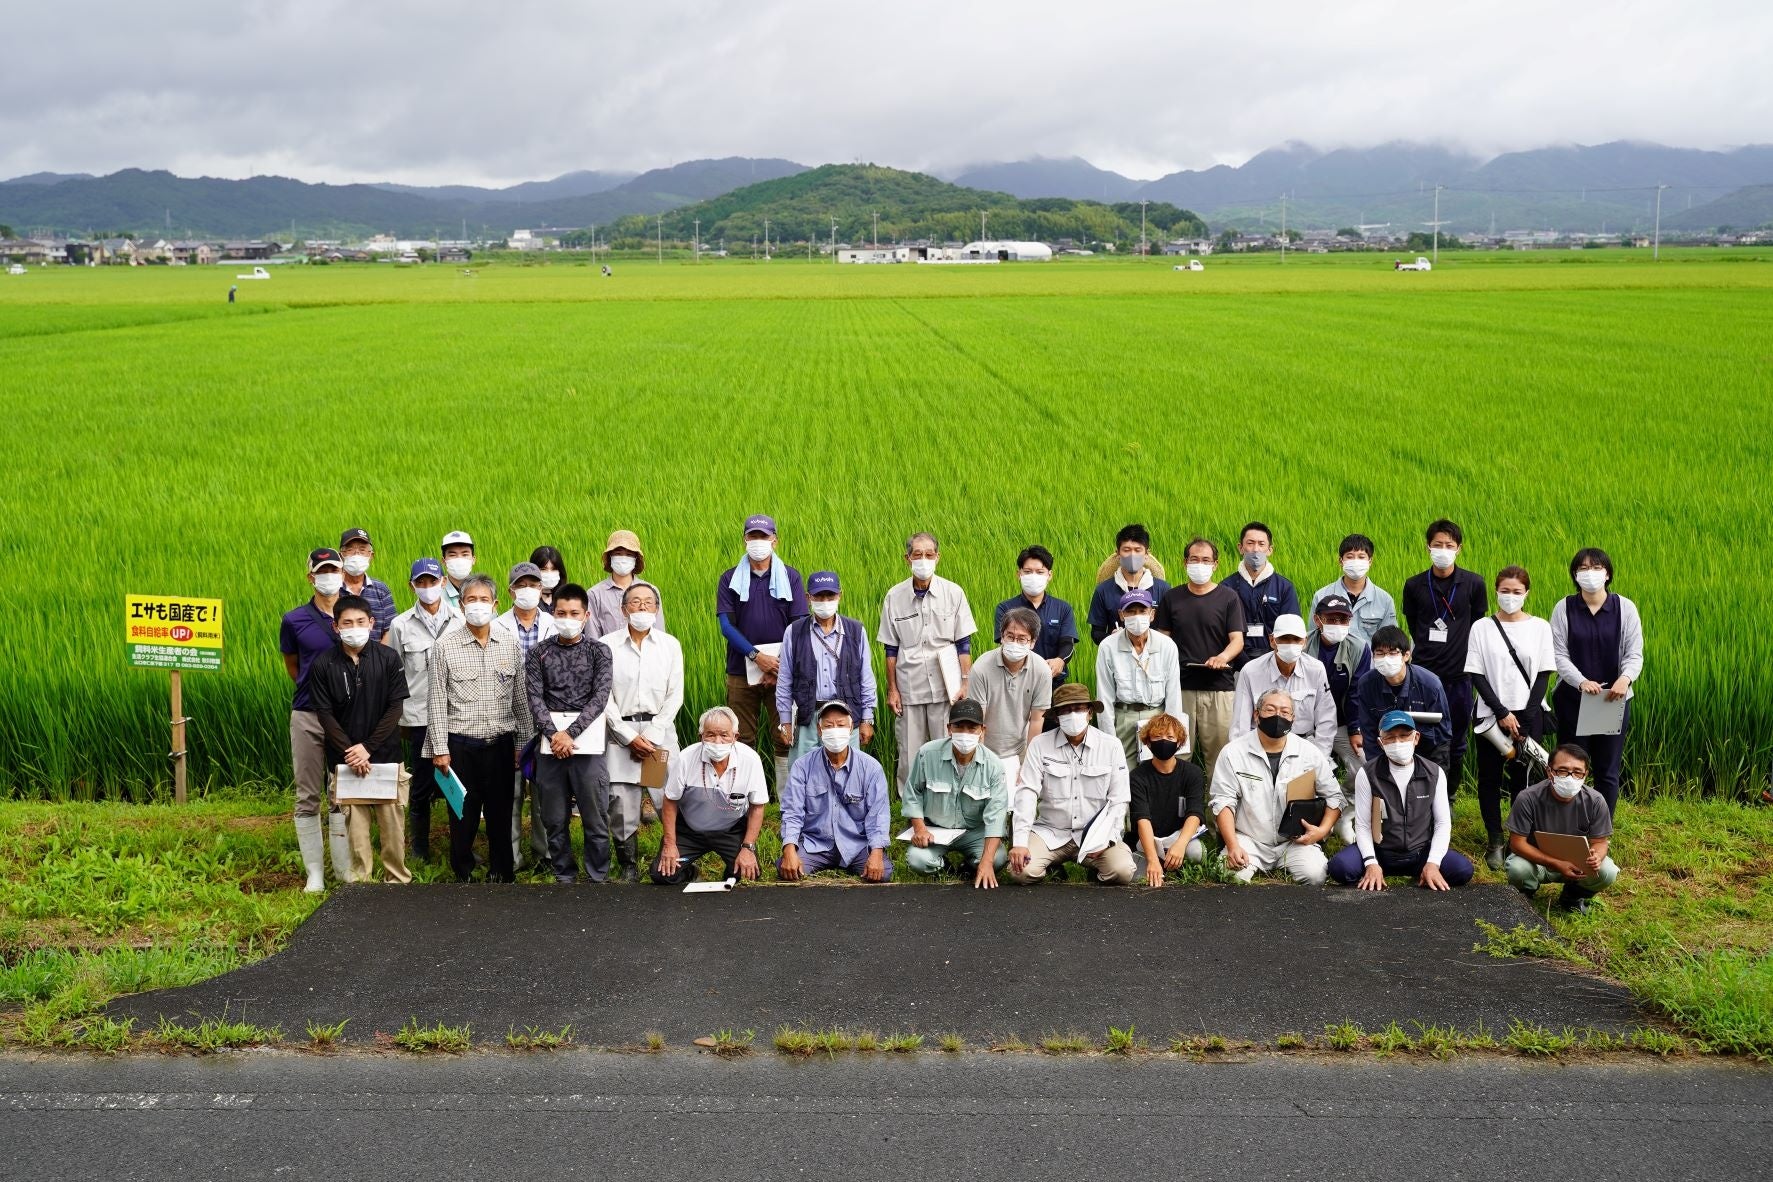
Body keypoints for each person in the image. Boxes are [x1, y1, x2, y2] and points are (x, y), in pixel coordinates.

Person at [424, 574, 531, 883]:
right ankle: (464, 872)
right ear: (460, 604)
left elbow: (520, 699)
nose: (478, 606)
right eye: (472, 600)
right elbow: (437, 701)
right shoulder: (445, 646)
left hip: (500, 743)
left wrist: (522, 745)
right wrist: (440, 749)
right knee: (463, 813)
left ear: (496, 604)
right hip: (460, 746)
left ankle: (502, 871)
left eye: (484, 600)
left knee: (501, 811)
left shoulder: (508, 644)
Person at [308, 595, 411, 885]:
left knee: (392, 826)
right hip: (346, 761)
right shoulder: (323, 664)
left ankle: (397, 880)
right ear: (336, 627)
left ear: (372, 623)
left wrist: (367, 748)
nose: (355, 627)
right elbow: (325, 714)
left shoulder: (388, 658)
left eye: (361, 622)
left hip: (386, 757)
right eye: (347, 623)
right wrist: (351, 752)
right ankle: (360, 887)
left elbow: (395, 708)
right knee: (356, 829)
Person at [1466, 566, 1556, 869]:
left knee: (1525, 779)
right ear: (1496, 591)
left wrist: (1527, 719)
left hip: (1530, 713)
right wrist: (1502, 712)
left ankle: (1520, 839)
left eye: (1517, 592)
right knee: (1489, 778)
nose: (1510, 596)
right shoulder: (1482, 627)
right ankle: (1495, 839)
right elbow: (1476, 673)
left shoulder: (1540, 627)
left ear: (1527, 593)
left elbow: (1544, 674)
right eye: (1505, 591)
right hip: (1491, 716)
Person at [524, 582, 613, 883]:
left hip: (587, 747)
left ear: (586, 615)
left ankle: (598, 874)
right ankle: (564, 873)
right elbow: (535, 698)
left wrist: (569, 734)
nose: (568, 618)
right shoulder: (538, 653)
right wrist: (554, 735)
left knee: (595, 815)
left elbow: (600, 698)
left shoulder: (599, 652)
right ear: (552, 612)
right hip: (550, 749)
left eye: (575, 613)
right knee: (554, 817)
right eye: (561, 612)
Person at [1208, 689, 1344, 885]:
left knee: (1316, 875)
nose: (1278, 716)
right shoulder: (1233, 752)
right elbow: (1222, 802)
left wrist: (1321, 831)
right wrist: (1232, 845)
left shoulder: (1309, 752)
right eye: (1270, 710)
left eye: (1285, 711)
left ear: (1293, 718)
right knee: (1229, 877)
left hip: (1294, 841)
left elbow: (1335, 797)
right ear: (1257, 715)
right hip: (1249, 840)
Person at [1326, 712, 1475, 890]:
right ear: (1381, 743)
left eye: (1404, 736)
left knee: (1462, 870)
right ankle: (1375, 872)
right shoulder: (1367, 774)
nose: (1398, 743)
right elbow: (1363, 825)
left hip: (1420, 852)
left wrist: (1433, 862)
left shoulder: (1434, 773)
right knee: (1339, 868)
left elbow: (1443, 823)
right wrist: (1371, 863)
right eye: (1390, 737)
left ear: (1416, 738)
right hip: (1380, 851)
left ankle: (1424, 871)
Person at [1008, 684, 1137, 885]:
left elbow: (1119, 800)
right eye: (1065, 711)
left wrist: (1109, 839)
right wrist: (1020, 842)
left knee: (1123, 872)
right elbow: (1027, 793)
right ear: (1057, 717)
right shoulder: (1039, 745)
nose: (1072, 715)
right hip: (1050, 832)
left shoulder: (1111, 746)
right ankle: (1052, 865)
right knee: (1020, 872)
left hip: (1095, 835)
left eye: (1078, 708)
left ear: (1090, 713)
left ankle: (1094, 870)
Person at [600, 581, 683, 882]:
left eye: (649, 602)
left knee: (665, 795)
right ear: (623, 609)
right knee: (621, 802)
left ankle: (672, 856)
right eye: (635, 602)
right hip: (620, 734)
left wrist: (652, 734)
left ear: (657, 609)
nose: (642, 607)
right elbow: (603, 696)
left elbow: (676, 695)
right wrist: (627, 736)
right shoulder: (607, 645)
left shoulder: (669, 645)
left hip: (657, 734)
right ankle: (628, 865)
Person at [1550, 548, 1643, 818]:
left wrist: (1624, 679)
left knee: (1607, 769)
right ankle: (1566, 823)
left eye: (1596, 567)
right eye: (1583, 568)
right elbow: (1558, 654)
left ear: (1608, 573)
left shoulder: (1624, 608)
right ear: (1575, 575)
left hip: (1611, 700)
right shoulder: (1564, 607)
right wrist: (1580, 681)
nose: (1589, 573)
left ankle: (1602, 829)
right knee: (1569, 767)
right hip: (1573, 700)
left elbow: (1634, 653)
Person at [879, 532, 977, 789]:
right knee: (910, 751)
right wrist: (892, 689)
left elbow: (963, 644)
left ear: (938, 557)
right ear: (907, 558)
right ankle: (911, 805)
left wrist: (965, 682)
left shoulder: (953, 593)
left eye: (929, 555)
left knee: (947, 745)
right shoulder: (894, 597)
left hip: (946, 686)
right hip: (909, 685)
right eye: (917, 555)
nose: (923, 560)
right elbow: (890, 648)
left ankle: (949, 797)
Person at [280, 547, 352, 891]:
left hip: (344, 716)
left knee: (341, 790)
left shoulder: (352, 614)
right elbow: (293, 666)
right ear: (311, 577)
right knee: (308, 792)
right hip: (307, 713)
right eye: (322, 571)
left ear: (342, 573)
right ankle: (315, 873)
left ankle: (342, 868)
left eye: (334, 569)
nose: (329, 576)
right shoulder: (294, 619)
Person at [716, 513, 807, 788]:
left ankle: (784, 799)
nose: (758, 542)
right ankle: (744, 796)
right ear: (745, 540)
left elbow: (799, 625)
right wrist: (758, 658)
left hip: (782, 671)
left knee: (784, 735)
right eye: (752, 536)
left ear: (774, 541)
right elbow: (726, 626)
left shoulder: (790, 577)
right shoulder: (729, 579)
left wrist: (777, 664)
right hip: (741, 670)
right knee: (742, 737)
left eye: (763, 537)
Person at [382, 557, 462, 862]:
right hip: (420, 718)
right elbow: (394, 673)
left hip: (456, 715)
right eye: (421, 582)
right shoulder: (400, 625)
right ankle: (419, 848)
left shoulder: (459, 620)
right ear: (412, 586)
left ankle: (460, 846)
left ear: (443, 582)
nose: (428, 588)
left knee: (457, 782)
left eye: (433, 581)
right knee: (422, 784)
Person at [1402, 519, 1487, 794]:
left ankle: (1447, 797)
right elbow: (1414, 624)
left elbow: (1476, 624)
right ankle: (1419, 794)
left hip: (1460, 677)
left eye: (1449, 545)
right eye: (1437, 544)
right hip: (1423, 677)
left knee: (1456, 741)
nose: (1443, 549)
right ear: (1428, 547)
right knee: (1420, 736)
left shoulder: (1473, 583)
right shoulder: (1414, 585)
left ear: (1458, 549)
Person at [1153, 536, 1245, 772]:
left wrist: (1222, 657)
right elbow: (1162, 640)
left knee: (1220, 755)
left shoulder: (1228, 598)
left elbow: (1237, 640)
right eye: (1194, 559)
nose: (1200, 564)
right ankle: (1179, 807)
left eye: (1206, 560)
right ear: (1185, 563)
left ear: (1215, 564)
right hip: (1180, 689)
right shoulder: (1172, 598)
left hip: (1219, 689)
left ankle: (1218, 807)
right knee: (1178, 754)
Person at [778, 701, 892, 882]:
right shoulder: (803, 766)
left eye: (840, 725)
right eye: (829, 726)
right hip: (815, 844)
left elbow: (878, 816)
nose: (835, 730)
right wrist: (789, 849)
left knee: (882, 873)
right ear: (819, 729)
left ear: (851, 727)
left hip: (856, 844)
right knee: (788, 871)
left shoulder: (871, 768)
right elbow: (792, 812)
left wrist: (877, 853)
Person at [651, 707, 767, 885]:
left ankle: (731, 872)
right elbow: (670, 801)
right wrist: (669, 843)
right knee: (662, 875)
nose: (718, 741)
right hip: (690, 830)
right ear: (701, 737)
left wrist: (748, 847)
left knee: (747, 875)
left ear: (735, 737)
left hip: (731, 829)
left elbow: (757, 806)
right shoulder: (686, 758)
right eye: (710, 735)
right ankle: (690, 872)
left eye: (724, 735)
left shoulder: (750, 759)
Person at [899, 699, 1009, 887]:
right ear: (949, 728)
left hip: (974, 831)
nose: (965, 734)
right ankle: (945, 867)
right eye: (959, 727)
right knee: (918, 860)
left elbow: (996, 816)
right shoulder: (927, 754)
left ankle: (971, 866)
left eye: (972, 728)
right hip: (936, 829)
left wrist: (987, 861)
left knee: (997, 859)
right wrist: (920, 828)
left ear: (982, 731)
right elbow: (913, 792)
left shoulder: (994, 766)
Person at [774, 571, 876, 766]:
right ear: (808, 598)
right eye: (819, 597)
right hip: (807, 717)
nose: (825, 601)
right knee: (804, 772)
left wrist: (867, 718)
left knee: (847, 771)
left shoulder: (855, 631)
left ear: (840, 595)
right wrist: (785, 721)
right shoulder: (794, 632)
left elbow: (866, 678)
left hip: (845, 716)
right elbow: (784, 679)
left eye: (830, 596)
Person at [1505, 743, 1619, 913]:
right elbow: (1517, 844)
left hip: (1577, 864)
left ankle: (1572, 896)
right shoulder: (1528, 798)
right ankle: (1526, 894)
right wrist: (1557, 864)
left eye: (1577, 772)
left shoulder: (1595, 800)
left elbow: (1600, 842)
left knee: (1607, 871)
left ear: (1585, 775)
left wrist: (1596, 856)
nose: (1570, 777)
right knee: (1517, 869)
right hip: (1537, 862)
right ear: (1549, 771)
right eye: (1563, 771)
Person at [496, 561, 557, 868]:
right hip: (506, 718)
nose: (529, 590)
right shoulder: (496, 626)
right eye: (522, 585)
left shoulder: (554, 625)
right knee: (511, 791)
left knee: (544, 791)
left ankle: (544, 854)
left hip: (545, 719)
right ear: (511, 591)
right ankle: (511, 855)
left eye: (534, 585)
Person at [1095, 589, 1184, 766]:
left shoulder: (1167, 645)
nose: (1137, 617)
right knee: (1120, 771)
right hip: (1123, 717)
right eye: (1131, 612)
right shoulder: (1108, 647)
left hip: (1156, 717)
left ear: (1152, 614)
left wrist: (1172, 731)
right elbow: (1104, 696)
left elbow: (1173, 694)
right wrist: (1108, 739)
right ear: (1121, 615)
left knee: (1156, 772)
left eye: (1142, 611)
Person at [965, 607, 1051, 786]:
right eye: (1010, 636)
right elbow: (977, 720)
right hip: (985, 748)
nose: (1015, 643)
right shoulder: (981, 668)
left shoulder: (1041, 670)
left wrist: (1028, 762)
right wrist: (979, 760)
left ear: (1032, 642)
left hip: (1019, 750)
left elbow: (1036, 721)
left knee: (1018, 804)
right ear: (1002, 637)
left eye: (1022, 639)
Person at [1231, 613, 1335, 756]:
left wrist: (1320, 758)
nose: (1290, 644)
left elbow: (1326, 719)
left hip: (1303, 745)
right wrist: (1243, 758)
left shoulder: (1316, 669)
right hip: (1261, 745)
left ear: (1305, 642)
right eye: (1284, 639)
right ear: (1272, 640)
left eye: (1296, 639)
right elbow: (1239, 725)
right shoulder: (1250, 671)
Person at [1354, 625, 1453, 768]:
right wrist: (1377, 771)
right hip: (1386, 750)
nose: (1386, 658)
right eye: (1380, 653)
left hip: (1425, 752)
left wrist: (1434, 773)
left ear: (1406, 655)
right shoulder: (1366, 684)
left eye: (1393, 653)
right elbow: (1369, 734)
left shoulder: (1430, 685)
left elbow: (1442, 736)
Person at [1128, 713, 1207, 886]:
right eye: (1157, 736)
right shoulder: (1137, 776)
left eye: (1170, 737)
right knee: (1135, 876)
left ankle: (1170, 864)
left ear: (1179, 742)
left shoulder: (1192, 773)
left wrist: (1180, 844)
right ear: (1148, 742)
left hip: (1178, 837)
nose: (1164, 741)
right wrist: (1152, 859)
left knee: (1196, 853)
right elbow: (1142, 819)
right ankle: (1156, 864)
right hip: (1148, 840)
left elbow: (1194, 813)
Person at [993, 545, 1079, 688]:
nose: (1033, 576)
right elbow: (1006, 645)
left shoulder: (1063, 608)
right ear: (1018, 574)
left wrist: (1060, 661)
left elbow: (1067, 642)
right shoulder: (1005, 608)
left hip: (1054, 682)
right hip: (1017, 682)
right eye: (1027, 572)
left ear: (1049, 575)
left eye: (1040, 572)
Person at [1307, 593, 1372, 780]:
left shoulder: (1359, 647)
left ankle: (1350, 800)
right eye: (1331, 619)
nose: (1337, 624)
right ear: (1317, 620)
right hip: (1309, 724)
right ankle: (1318, 801)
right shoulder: (1303, 645)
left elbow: (1356, 693)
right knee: (1309, 766)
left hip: (1342, 723)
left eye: (1343, 619)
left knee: (1363, 763)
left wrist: (1355, 730)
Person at [1227, 522, 1300, 669]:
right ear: (1240, 548)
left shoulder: (1284, 587)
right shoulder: (1226, 587)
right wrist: (1245, 664)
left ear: (1270, 550)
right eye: (1250, 543)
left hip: (1274, 665)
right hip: (1236, 666)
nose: (1255, 549)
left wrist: (1271, 662)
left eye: (1261, 544)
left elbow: (1290, 630)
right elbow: (1222, 631)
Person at [1086, 523, 1171, 644]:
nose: (1132, 555)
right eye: (1126, 550)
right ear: (1118, 554)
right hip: (1117, 657)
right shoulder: (1103, 590)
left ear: (1147, 554)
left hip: (1153, 657)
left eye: (1138, 550)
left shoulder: (1162, 589)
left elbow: (1169, 628)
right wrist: (1112, 638)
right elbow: (1096, 632)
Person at [1311, 533, 1398, 648]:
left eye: (1361, 557)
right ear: (1341, 561)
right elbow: (1313, 637)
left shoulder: (1384, 600)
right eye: (1350, 557)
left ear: (1370, 561)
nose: (1356, 561)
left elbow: (1389, 641)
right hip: (1330, 663)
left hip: (1369, 663)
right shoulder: (1322, 595)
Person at [589, 529, 667, 639]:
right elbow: (592, 637)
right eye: (618, 553)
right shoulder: (595, 594)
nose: (623, 558)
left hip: (644, 654)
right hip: (608, 655)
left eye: (629, 554)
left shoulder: (650, 591)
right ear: (610, 557)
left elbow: (659, 633)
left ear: (635, 559)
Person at [337, 528, 395, 642]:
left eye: (362, 550)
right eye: (350, 550)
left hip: (377, 657)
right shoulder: (332, 589)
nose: (356, 554)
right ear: (341, 556)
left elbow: (390, 630)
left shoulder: (381, 590)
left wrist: (378, 658)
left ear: (371, 556)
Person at [439, 530, 476, 611]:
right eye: (452, 555)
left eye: (465, 554)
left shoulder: (483, 589)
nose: (459, 559)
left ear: (473, 560)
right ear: (443, 561)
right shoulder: (435, 592)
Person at [530, 545, 569, 612]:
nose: (549, 573)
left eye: (554, 569)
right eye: (543, 569)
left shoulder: (569, 599)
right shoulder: (526, 600)